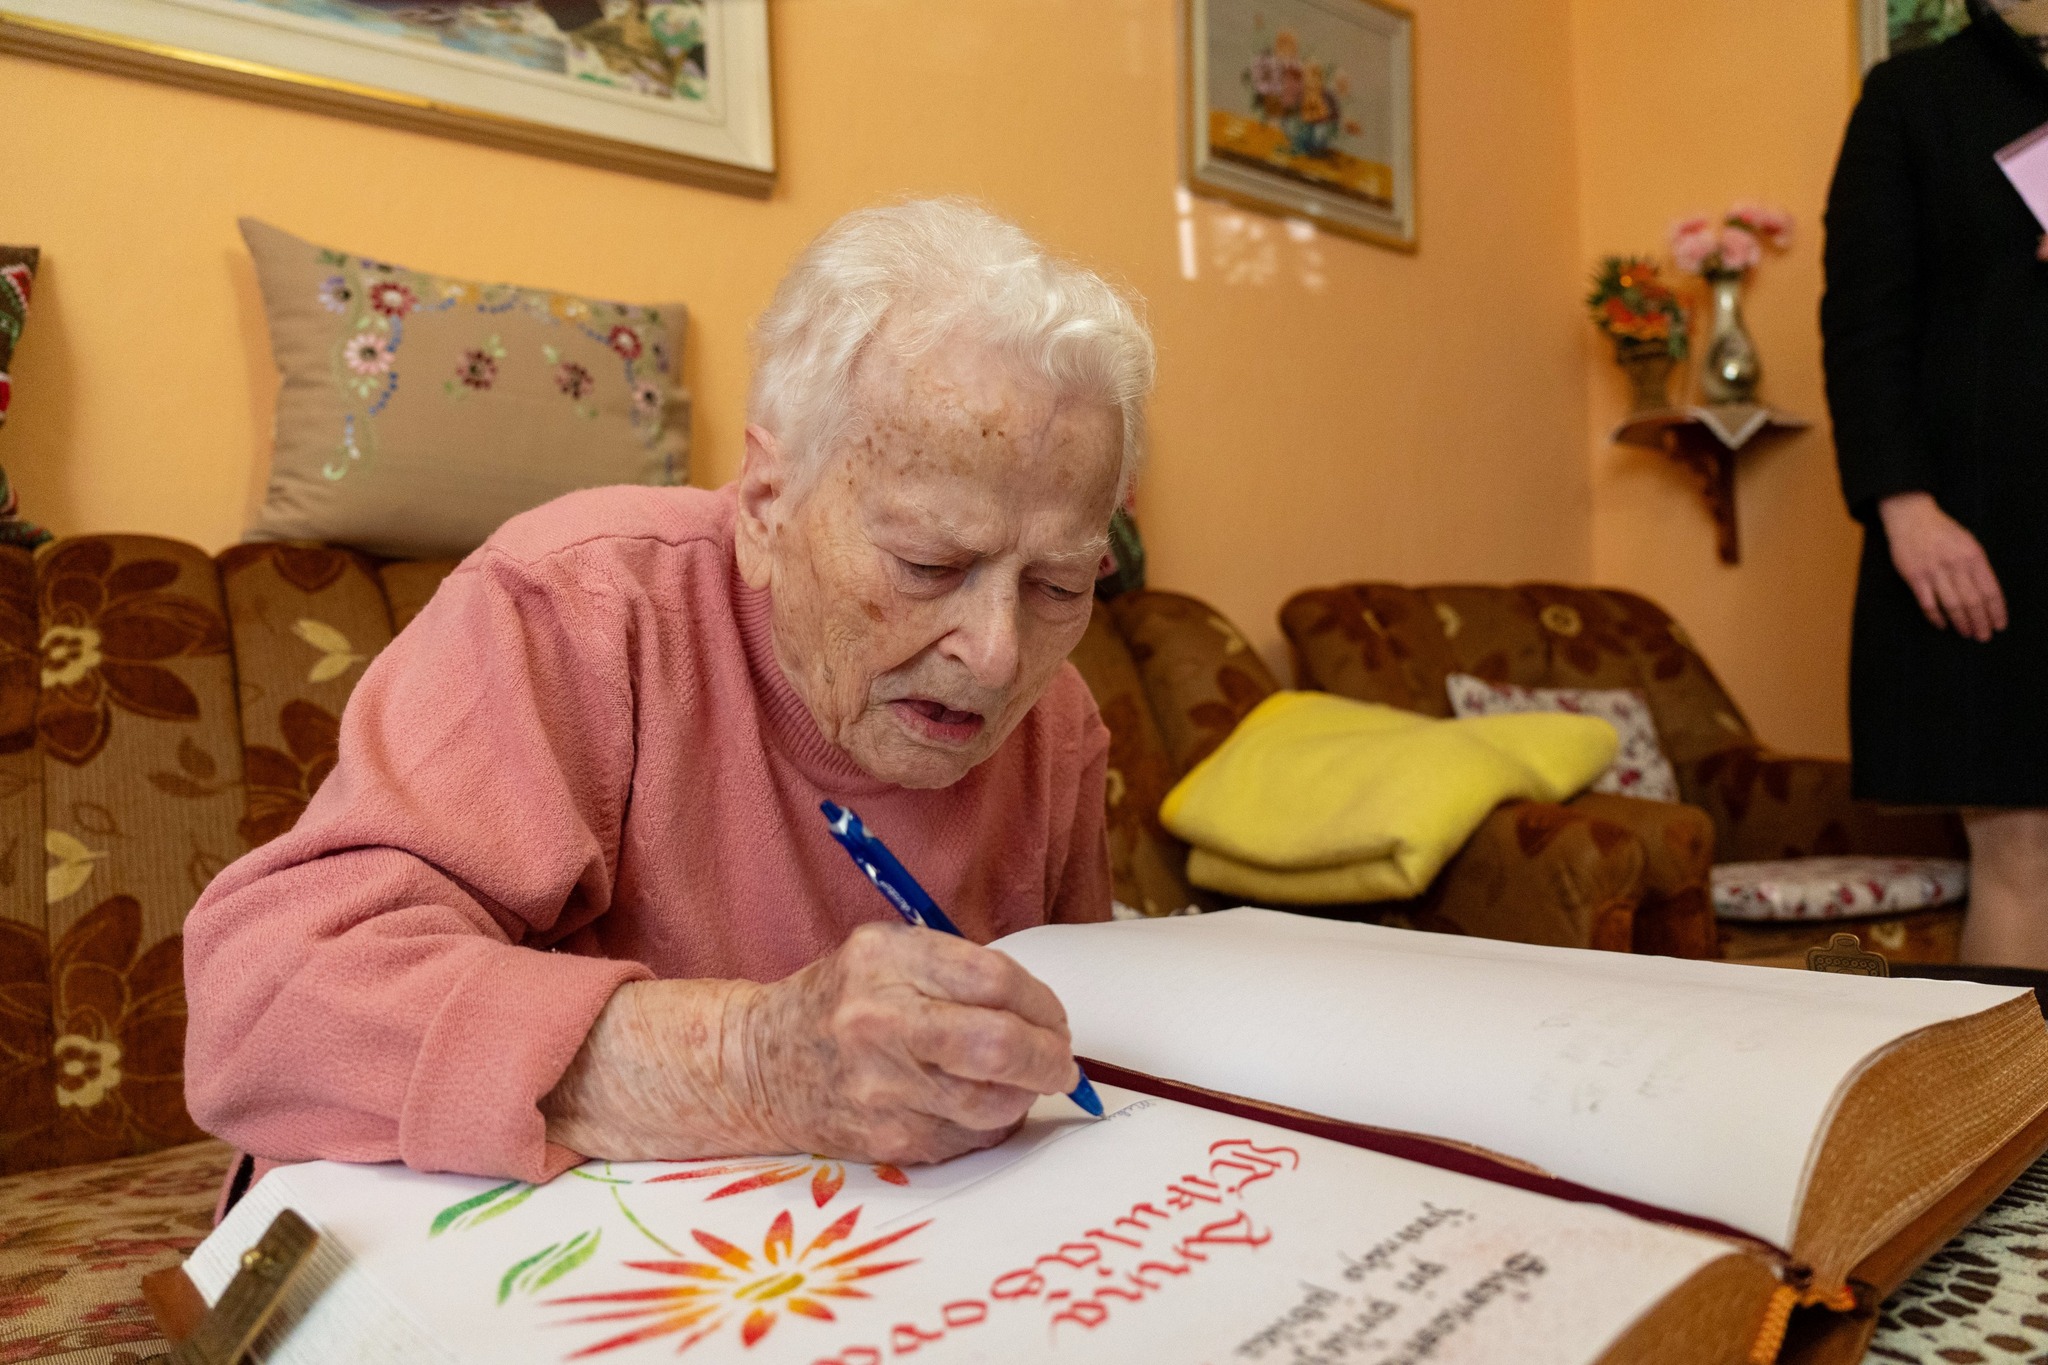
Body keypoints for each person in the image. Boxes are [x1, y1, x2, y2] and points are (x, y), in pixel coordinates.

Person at [182, 199, 1153, 1186]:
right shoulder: (576, 605)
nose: (996, 656)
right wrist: (745, 1063)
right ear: (768, 505)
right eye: (927, 562)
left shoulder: (1056, 720)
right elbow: (263, 1007)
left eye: (1057, 585)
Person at [1822, 0, 2048, 967]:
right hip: (1987, 525)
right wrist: (1903, 506)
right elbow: (1863, 323)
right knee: (2025, 848)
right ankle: (2017, 1123)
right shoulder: (1914, 96)